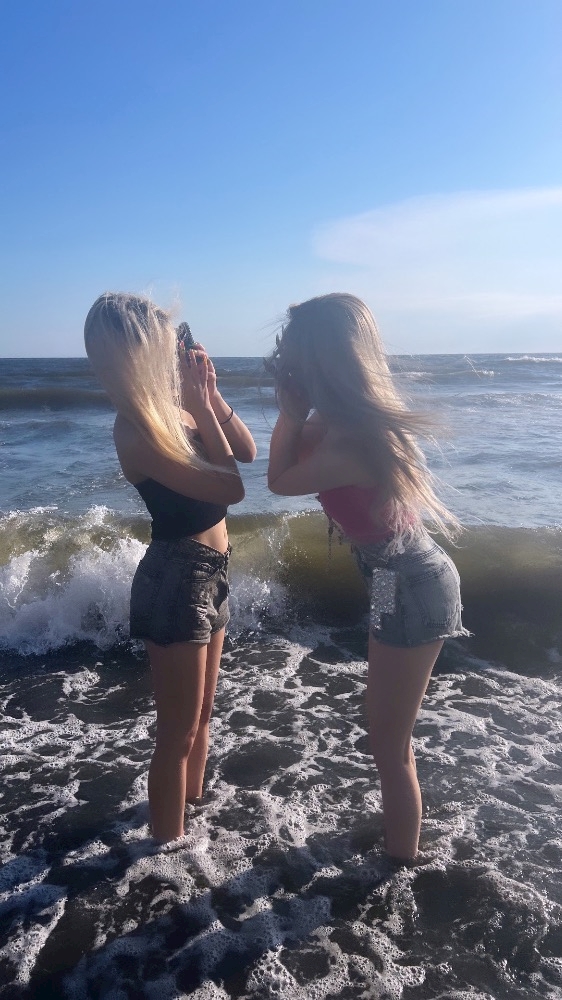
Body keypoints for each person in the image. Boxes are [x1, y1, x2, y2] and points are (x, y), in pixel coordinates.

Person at [266, 293, 469, 863]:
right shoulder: (340, 421)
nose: (284, 364)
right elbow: (292, 455)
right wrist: (295, 408)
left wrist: (289, 413)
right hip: (390, 579)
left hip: (410, 583)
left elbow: (279, 479)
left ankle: (399, 867)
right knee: (385, 732)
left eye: (293, 355)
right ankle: (398, 842)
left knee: (388, 743)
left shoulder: (353, 438)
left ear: (322, 359)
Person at [84, 293, 257, 842]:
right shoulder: (136, 427)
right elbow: (231, 488)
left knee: (203, 716)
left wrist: (210, 395)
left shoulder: (178, 407)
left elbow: (246, 451)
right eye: (165, 345)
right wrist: (200, 406)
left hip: (212, 569)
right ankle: (164, 856)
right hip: (176, 578)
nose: (175, 354)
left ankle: (190, 817)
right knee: (177, 734)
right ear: (138, 353)